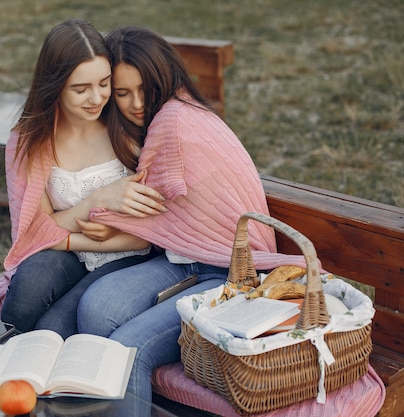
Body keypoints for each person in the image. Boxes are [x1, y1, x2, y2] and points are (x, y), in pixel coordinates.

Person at [76, 26, 308, 408]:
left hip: (231, 273)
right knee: (96, 310)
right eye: (122, 93)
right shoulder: (165, 115)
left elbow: (128, 209)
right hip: (181, 261)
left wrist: (99, 205)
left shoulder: (175, 120)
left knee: (126, 348)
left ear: (164, 78)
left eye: (145, 90)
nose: (135, 103)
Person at [0, 19, 166, 338]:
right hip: (69, 253)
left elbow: (150, 236)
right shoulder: (30, 142)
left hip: (129, 256)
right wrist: (96, 202)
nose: (96, 98)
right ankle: (0, 363)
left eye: (104, 83)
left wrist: (66, 235)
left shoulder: (129, 131)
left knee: (54, 327)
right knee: (28, 289)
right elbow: (32, 231)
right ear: (55, 86)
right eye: (81, 89)